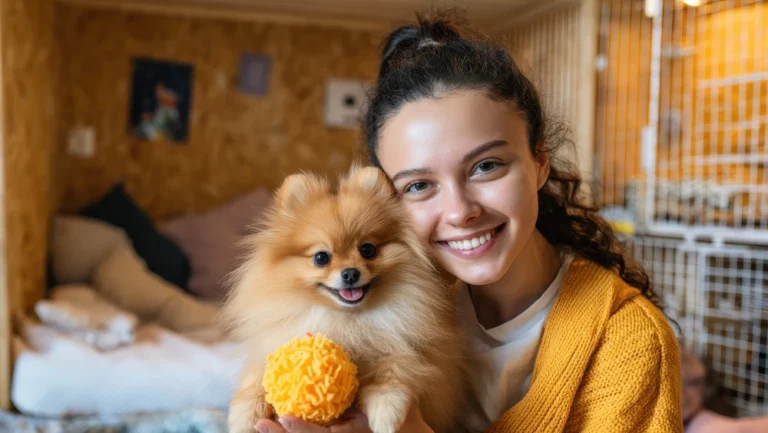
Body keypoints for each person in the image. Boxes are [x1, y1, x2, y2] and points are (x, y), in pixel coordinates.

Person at [255, 12, 683, 433]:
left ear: (538, 164)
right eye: (420, 185)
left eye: (486, 166)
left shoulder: (629, 341)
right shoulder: (389, 300)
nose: (460, 211)